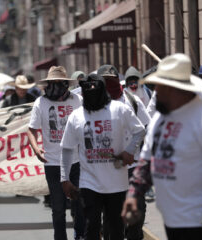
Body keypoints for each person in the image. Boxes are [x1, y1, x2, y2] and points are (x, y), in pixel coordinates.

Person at [121, 53, 202, 240]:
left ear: (177, 89)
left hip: (200, 216)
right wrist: (134, 194)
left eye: (161, 86)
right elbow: (146, 162)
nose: (156, 90)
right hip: (171, 217)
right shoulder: (159, 119)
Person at [61, 73, 146, 240]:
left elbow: (140, 130)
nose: (91, 92)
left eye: (95, 88)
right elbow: (67, 148)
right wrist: (64, 178)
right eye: (87, 89)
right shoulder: (76, 116)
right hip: (89, 182)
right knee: (91, 226)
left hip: (117, 183)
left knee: (115, 228)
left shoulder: (119, 109)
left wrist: (129, 151)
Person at [27, 66, 85, 240]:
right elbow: (31, 129)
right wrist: (37, 150)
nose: (55, 86)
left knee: (80, 203)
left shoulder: (77, 100)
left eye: (59, 83)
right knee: (58, 209)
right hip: (52, 163)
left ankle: (80, 234)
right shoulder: (41, 103)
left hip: (76, 162)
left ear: (65, 84)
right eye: (52, 83)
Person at [98, 64, 151, 240]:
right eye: (104, 81)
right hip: (107, 169)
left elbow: (147, 126)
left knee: (138, 211)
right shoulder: (92, 104)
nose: (108, 84)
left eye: (111, 80)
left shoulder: (131, 100)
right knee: (111, 215)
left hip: (133, 166)